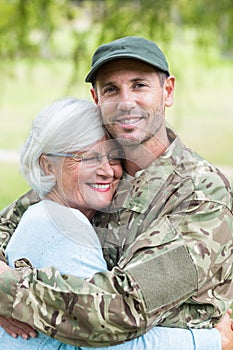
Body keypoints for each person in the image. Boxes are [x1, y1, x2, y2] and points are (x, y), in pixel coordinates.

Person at [0, 36, 233, 349]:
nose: (126, 102)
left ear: (167, 91)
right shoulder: (96, 171)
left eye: (139, 85)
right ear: (96, 98)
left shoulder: (200, 195)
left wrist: (10, 293)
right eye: (111, 89)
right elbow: (9, 223)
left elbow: (125, 308)